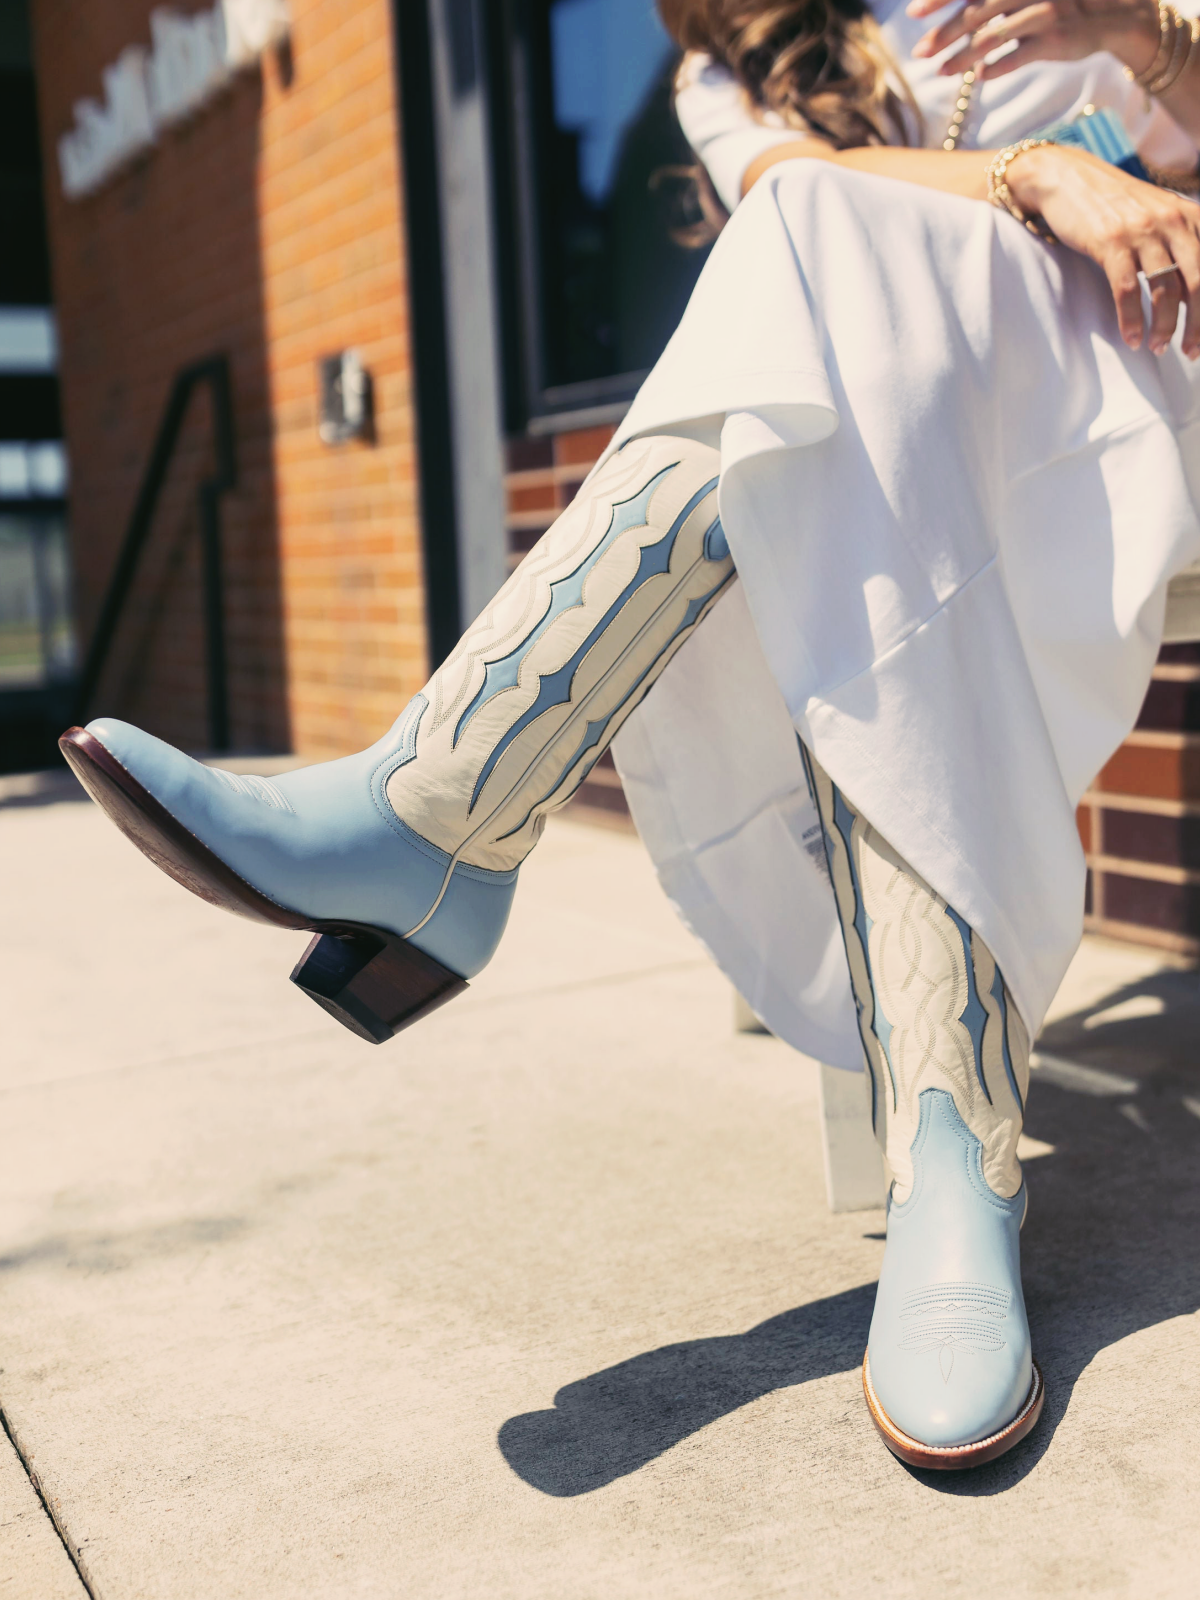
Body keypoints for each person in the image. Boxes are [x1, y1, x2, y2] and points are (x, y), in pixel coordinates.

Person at [59, 0, 1200, 1471]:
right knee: (817, 336)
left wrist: (1138, 38)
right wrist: (1036, 172)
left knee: (801, 307)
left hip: (1147, 394)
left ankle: (447, 813)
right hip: (919, 466)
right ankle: (949, 1160)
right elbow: (793, 190)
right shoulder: (727, 78)